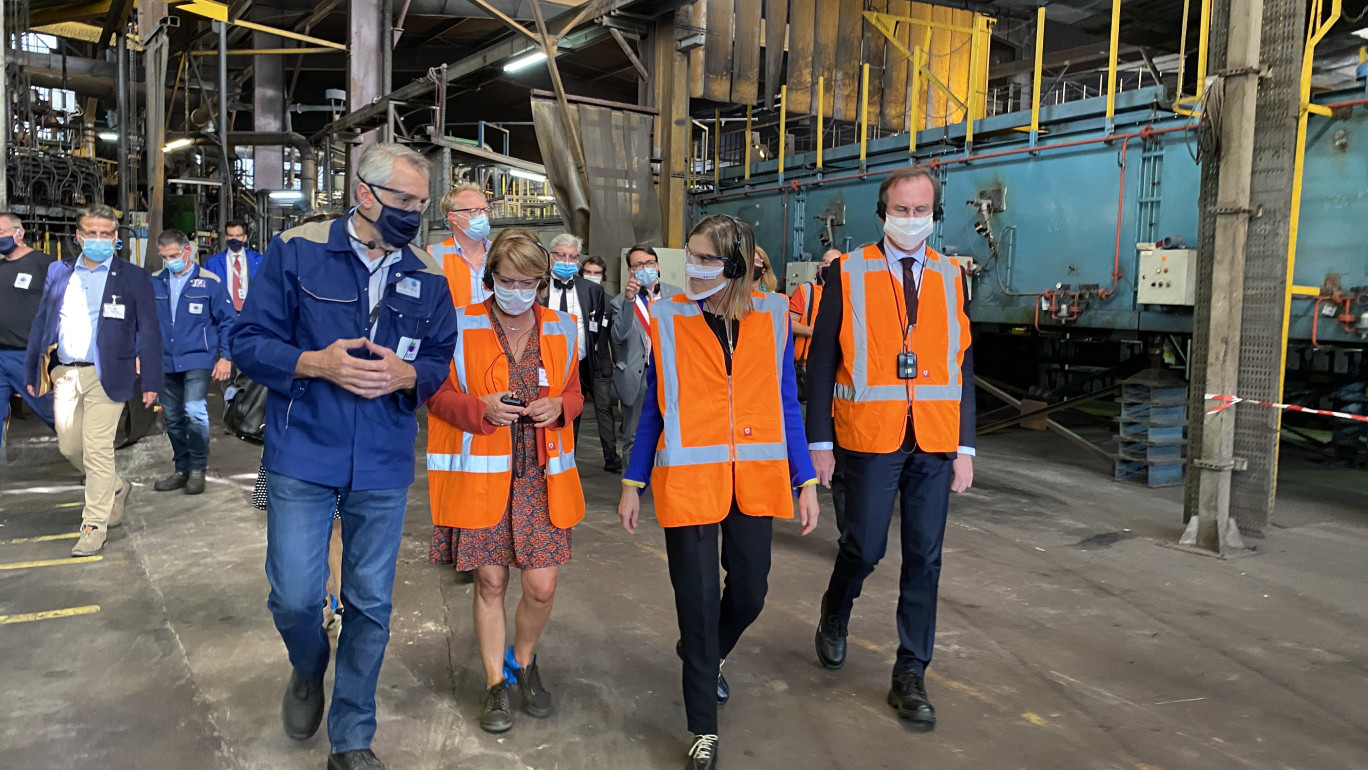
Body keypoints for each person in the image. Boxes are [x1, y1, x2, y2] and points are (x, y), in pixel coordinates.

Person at [230, 142, 459, 770]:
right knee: (296, 597)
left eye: (422, 203)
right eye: (405, 201)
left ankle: (352, 737)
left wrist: (409, 377)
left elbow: (441, 361)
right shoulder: (299, 249)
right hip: (304, 449)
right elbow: (248, 341)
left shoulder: (429, 272)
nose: (416, 214)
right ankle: (308, 667)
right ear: (365, 194)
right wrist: (315, 362)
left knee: (370, 604)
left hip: (382, 460)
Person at [618, 214, 819, 770]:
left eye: (704, 259)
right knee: (698, 605)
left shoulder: (774, 318)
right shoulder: (669, 317)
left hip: (753, 481)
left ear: (735, 265)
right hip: (688, 483)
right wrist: (634, 481)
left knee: (750, 593)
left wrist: (804, 479)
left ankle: (705, 656)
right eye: (691, 256)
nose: (692, 268)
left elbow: (786, 407)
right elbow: (657, 407)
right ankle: (702, 727)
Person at [806, 165, 976, 730]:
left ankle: (911, 674)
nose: (911, 220)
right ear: (882, 213)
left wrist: (966, 446)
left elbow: (963, 363)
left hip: (933, 439)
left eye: (921, 210)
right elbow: (824, 361)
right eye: (900, 210)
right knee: (865, 546)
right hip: (868, 437)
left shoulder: (952, 276)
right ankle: (837, 605)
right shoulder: (848, 273)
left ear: (936, 214)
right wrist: (819, 441)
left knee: (925, 559)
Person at [426, 229, 585, 734]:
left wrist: (561, 406)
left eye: (529, 282)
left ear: (542, 282)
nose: (517, 290)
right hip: (483, 475)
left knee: (540, 588)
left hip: (541, 476)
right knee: (491, 581)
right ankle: (496, 685)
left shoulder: (561, 327)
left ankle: (523, 659)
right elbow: (434, 395)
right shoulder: (457, 325)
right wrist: (480, 408)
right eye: (506, 280)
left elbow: (576, 394)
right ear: (489, 275)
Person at [24, 204, 162, 557]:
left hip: (109, 374)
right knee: (70, 447)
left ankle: (93, 525)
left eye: (106, 234)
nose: (98, 240)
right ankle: (116, 486)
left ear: (116, 238)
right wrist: (31, 371)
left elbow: (149, 330)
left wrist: (151, 379)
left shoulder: (133, 277)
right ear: (78, 237)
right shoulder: (59, 272)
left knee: (98, 448)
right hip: (65, 372)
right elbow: (42, 323)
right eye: (91, 233)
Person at [150, 229, 236, 495]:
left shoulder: (209, 282)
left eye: (174, 255)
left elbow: (228, 321)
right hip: (165, 359)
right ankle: (181, 469)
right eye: (164, 257)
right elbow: (144, 322)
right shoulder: (154, 281)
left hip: (198, 357)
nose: (170, 261)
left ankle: (198, 469)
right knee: (173, 418)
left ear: (188, 250)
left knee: (194, 411)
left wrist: (226, 357)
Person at [544, 234, 619, 472]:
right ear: (550, 256)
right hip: (547, 365)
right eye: (561, 255)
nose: (567, 261)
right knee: (550, 414)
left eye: (572, 256)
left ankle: (568, 464)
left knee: (576, 412)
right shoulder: (537, 286)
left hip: (582, 363)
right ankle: (549, 462)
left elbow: (595, 327)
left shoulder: (590, 290)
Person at [610, 245, 681, 466]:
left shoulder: (678, 296)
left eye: (649, 263)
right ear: (631, 271)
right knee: (634, 436)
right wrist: (630, 301)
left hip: (671, 374)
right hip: (639, 376)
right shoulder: (620, 302)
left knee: (674, 432)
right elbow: (618, 336)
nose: (645, 268)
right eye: (639, 265)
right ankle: (630, 489)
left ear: (657, 265)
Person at [0, 212, 56, 444]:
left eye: (1, 232)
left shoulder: (46, 265)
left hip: (30, 357)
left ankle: (91, 462)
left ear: (19, 233)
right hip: (1, 354)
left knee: (54, 413)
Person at [428, 183, 493, 308]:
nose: (483, 216)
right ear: (453, 217)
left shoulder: (502, 252)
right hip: (454, 327)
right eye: (474, 211)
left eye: (485, 210)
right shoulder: (432, 257)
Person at [204, 220, 265, 313]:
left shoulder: (259, 261)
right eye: (231, 235)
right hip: (223, 315)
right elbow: (206, 292)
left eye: (238, 236)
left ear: (244, 238)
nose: (234, 239)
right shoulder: (212, 263)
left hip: (251, 314)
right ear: (226, 237)